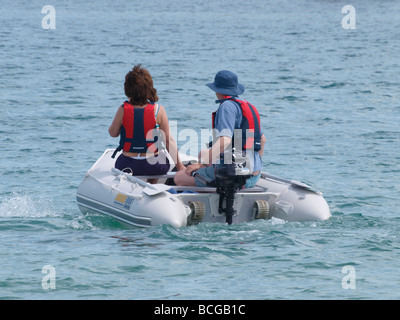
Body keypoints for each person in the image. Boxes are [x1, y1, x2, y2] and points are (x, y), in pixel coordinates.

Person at [174, 70, 266, 188]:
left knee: (179, 177)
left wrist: (199, 164)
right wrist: (253, 167)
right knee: (203, 153)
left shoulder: (226, 107)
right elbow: (262, 139)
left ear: (217, 90)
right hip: (254, 174)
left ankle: (208, 199)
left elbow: (225, 140)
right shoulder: (247, 106)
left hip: (234, 176)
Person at [109, 64, 185, 183]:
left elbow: (113, 133)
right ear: (149, 88)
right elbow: (168, 141)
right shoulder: (158, 110)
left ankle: (133, 187)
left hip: (128, 164)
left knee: (123, 161)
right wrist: (179, 166)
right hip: (153, 165)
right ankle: (151, 184)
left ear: (127, 89)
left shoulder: (123, 109)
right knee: (159, 160)